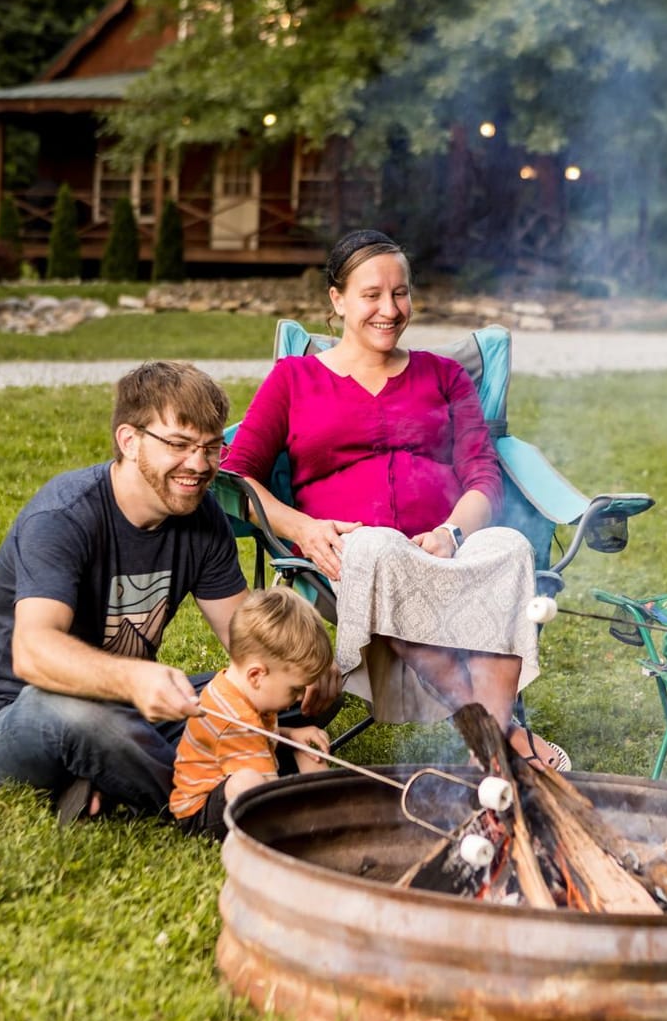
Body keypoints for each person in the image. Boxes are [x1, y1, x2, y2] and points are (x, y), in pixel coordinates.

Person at [222, 228, 570, 771]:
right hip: (357, 555)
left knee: (506, 543)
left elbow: (484, 476)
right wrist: (302, 528)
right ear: (336, 301)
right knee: (380, 545)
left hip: (447, 551)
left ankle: (491, 745)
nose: (390, 309)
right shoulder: (295, 379)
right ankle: (502, 737)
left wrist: (453, 533)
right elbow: (236, 478)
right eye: (371, 295)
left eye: (400, 293)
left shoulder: (446, 375)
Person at [0, 359, 338, 824]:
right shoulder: (63, 517)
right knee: (90, 722)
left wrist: (289, 706)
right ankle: (208, 806)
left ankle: (114, 775)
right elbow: (33, 653)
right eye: (179, 445)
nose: (199, 466)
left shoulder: (202, 518)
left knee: (298, 685)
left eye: (210, 447)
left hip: (130, 708)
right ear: (129, 439)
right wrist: (136, 680)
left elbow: (247, 646)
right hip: (23, 718)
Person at [170, 588, 334, 839]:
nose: (300, 697)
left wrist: (291, 734)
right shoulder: (235, 721)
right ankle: (298, 831)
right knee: (248, 782)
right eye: (295, 689)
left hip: (245, 763)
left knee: (306, 748)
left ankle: (328, 814)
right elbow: (265, 790)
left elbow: (263, 735)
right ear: (257, 675)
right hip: (201, 812)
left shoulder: (244, 691)